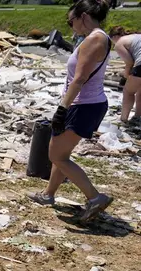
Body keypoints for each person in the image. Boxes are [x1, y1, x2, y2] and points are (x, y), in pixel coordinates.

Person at [27, 0, 113, 222]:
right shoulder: (98, 37)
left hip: (83, 105)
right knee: (62, 155)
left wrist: (61, 110)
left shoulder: (95, 39)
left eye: (71, 20)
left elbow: (80, 79)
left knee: (56, 155)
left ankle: (95, 198)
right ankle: (48, 194)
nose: (70, 25)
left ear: (83, 16)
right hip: (87, 104)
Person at [109, 26, 141, 124]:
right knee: (140, 91)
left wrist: (126, 74)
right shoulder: (136, 37)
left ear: (114, 37)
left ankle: (123, 119)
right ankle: (137, 116)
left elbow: (130, 62)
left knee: (128, 91)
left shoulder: (119, 43)